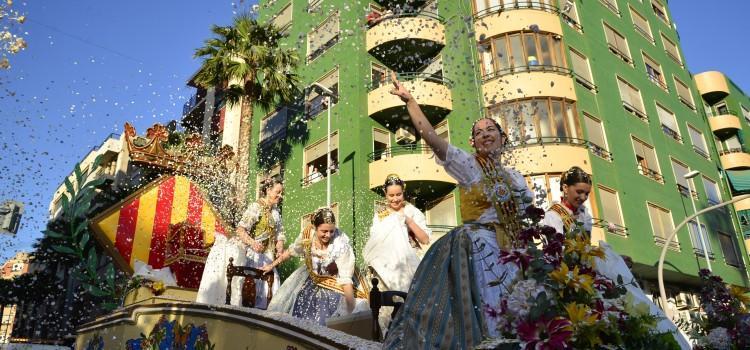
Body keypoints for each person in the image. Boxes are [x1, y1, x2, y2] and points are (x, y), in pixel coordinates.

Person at [384, 72, 534, 348]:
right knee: (490, 310)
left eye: (491, 130)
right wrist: (411, 102)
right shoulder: (469, 165)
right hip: (480, 247)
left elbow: (528, 215)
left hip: (512, 249)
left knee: (520, 310)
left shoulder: (515, 178)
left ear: (503, 138)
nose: (485, 134)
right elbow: (432, 139)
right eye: (479, 132)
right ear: (473, 143)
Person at [540, 166, 691, 349]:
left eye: (587, 194)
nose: (583, 197)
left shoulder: (584, 215)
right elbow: (556, 254)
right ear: (565, 188)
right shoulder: (553, 215)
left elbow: (586, 247)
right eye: (579, 192)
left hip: (585, 275)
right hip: (568, 279)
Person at [264, 208, 368, 326]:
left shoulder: (340, 244)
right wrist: (272, 265)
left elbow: (345, 280)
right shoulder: (307, 235)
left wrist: (351, 313)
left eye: (331, 231)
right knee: (301, 303)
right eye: (324, 231)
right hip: (310, 280)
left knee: (329, 315)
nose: (328, 235)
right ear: (315, 227)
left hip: (336, 284)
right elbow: (292, 251)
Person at [196, 176, 285, 309]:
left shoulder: (276, 212)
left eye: (281, 193)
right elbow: (240, 230)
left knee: (272, 287)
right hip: (252, 255)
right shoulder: (256, 207)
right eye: (277, 192)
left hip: (267, 257)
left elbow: (279, 234)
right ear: (268, 190)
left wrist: (280, 247)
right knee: (249, 290)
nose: (280, 196)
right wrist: (253, 243)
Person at [363, 174, 431, 336]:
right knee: (387, 312)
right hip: (386, 269)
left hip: (411, 265)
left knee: (412, 305)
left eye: (398, 194)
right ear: (385, 195)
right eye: (391, 195)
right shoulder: (381, 216)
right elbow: (375, 242)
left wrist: (408, 222)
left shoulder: (412, 211)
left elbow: (425, 239)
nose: (395, 199)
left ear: (404, 193)